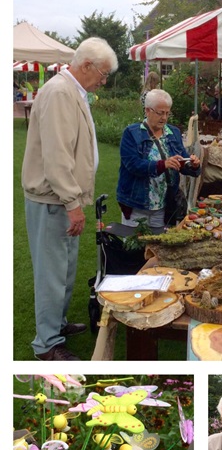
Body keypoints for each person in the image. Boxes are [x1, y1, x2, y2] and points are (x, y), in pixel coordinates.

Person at [22, 37, 118, 361]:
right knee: (52, 274)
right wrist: (72, 203)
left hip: (60, 199)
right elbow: (57, 156)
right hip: (53, 200)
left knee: (64, 270)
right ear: (87, 65)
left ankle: (57, 325)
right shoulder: (61, 92)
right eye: (103, 74)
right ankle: (47, 345)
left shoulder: (73, 91)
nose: (104, 81)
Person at [117, 88, 201, 228]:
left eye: (167, 113)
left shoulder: (173, 133)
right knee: (135, 247)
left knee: (159, 247)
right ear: (147, 110)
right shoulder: (132, 133)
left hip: (164, 206)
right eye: (160, 113)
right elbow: (133, 165)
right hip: (137, 204)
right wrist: (163, 164)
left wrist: (192, 164)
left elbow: (181, 161)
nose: (164, 118)